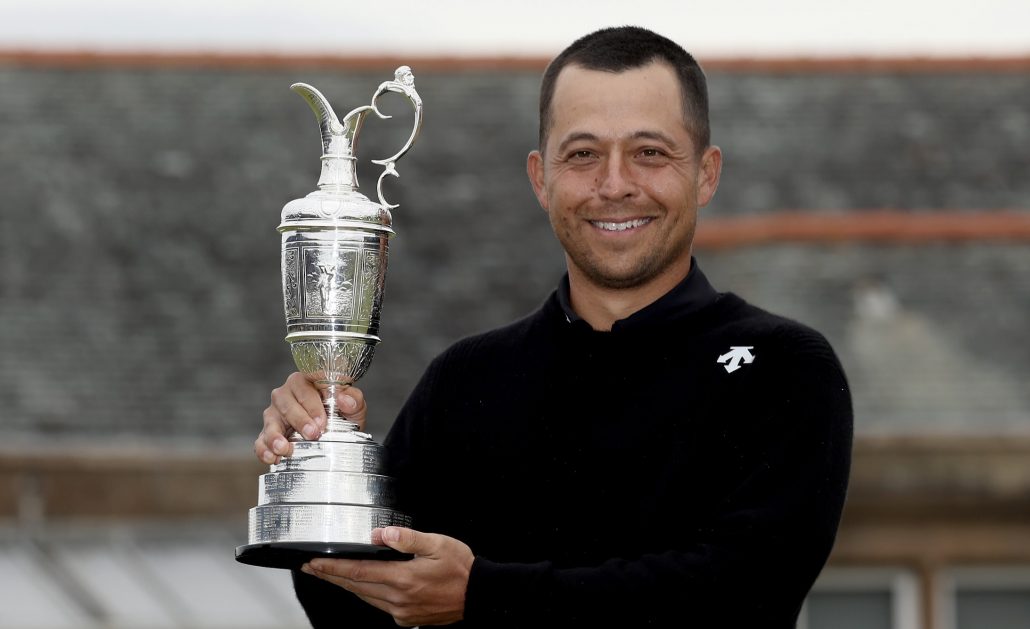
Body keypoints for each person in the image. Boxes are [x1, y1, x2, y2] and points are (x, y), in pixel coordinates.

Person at [256, 26, 852, 628]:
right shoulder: (467, 380)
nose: (614, 185)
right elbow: (352, 611)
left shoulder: (784, 369)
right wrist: (320, 465)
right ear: (541, 178)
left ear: (705, 173)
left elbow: (738, 594)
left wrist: (482, 595)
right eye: (583, 154)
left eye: (649, 152)